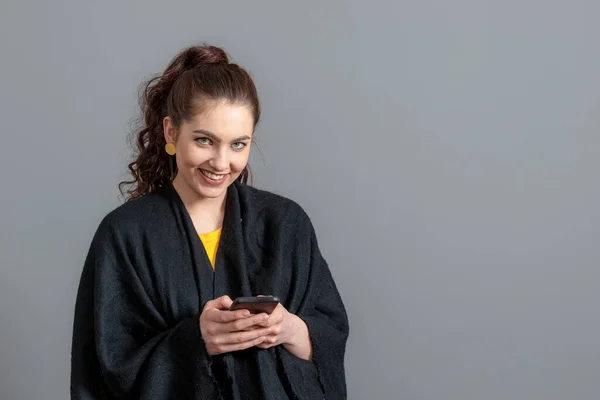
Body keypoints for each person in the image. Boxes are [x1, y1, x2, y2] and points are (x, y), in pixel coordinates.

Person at [70, 44, 349, 399]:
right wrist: (195, 340)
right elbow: (103, 369)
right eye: (204, 140)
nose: (221, 163)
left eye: (238, 145)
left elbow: (328, 337)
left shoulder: (285, 224)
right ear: (171, 133)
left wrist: (289, 329)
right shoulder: (126, 234)